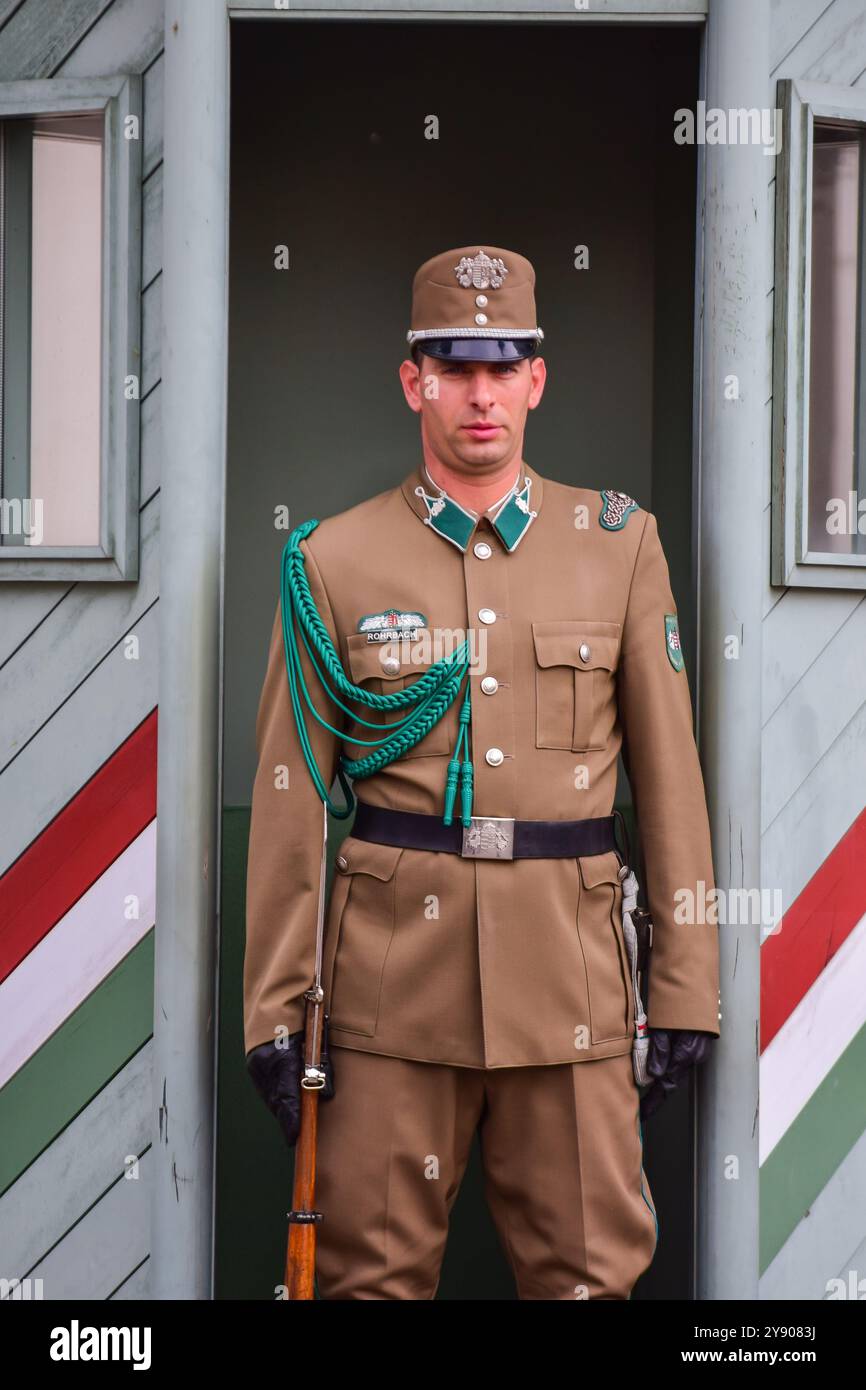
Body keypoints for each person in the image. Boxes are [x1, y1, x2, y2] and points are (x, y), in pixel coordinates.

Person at [243, 244, 720, 1300]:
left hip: (573, 996)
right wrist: (277, 1012)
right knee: (369, 1280)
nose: (478, 393)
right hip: (387, 1005)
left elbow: (670, 784)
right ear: (412, 379)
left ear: (535, 381)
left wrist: (685, 981)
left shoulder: (619, 546)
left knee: (588, 1278)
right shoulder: (333, 561)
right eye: (452, 366)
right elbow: (289, 806)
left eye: (501, 367)